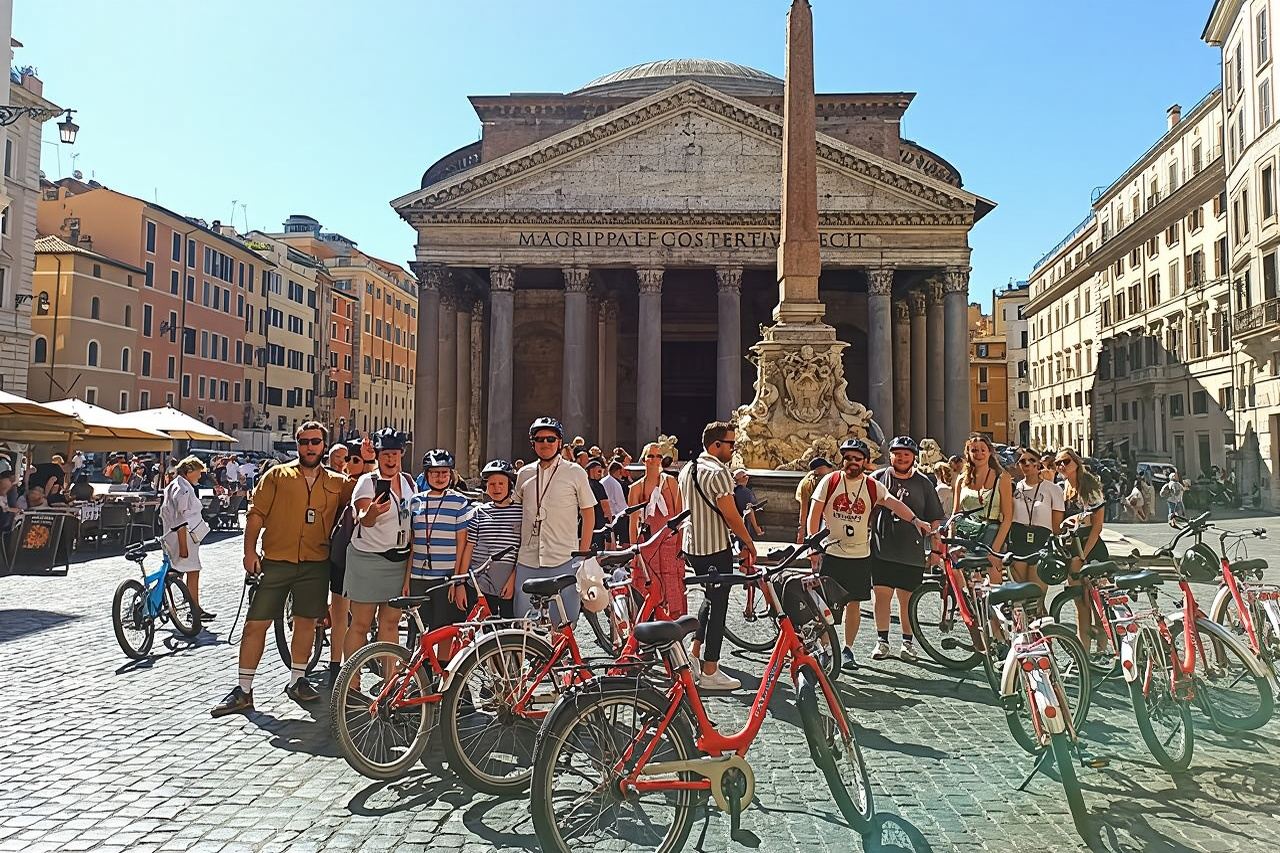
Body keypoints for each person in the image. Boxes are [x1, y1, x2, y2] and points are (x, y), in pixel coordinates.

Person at [212, 421, 347, 717]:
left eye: (314, 442)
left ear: (324, 446)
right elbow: (256, 514)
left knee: (306, 624)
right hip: (275, 561)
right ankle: (243, 690)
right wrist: (249, 552)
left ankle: (298, 680)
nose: (309, 447)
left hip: (315, 564)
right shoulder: (277, 476)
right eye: (303, 442)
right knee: (255, 624)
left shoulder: (338, 483)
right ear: (297, 444)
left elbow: (364, 497)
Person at [809, 438, 932, 670]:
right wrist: (813, 545)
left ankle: (847, 650)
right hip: (832, 553)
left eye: (857, 458)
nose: (852, 462)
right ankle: (825, 649)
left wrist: (917, 521)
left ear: (865, 462)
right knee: (825, 606)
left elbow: (894, 504)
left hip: (860, 556)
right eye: (848, 458)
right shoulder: (831, 480)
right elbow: (814, 514)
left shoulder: (872, 486)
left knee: (853, 604)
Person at [679, 421, 757, 690]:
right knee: (719, 606)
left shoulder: (686, 469)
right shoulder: (720, 472)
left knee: (709, 599)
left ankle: (695, 651)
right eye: (731, 444)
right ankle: (711, 669)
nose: (734, 449)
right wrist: (747, 541)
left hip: (692, 547)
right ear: (716, 445)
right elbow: (731, 513)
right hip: (714, 548)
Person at [342, 428, 415, 668]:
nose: (391, 459)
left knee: (391, 624)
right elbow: (363, 516)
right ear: (378, 456)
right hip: (368, 560)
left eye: (395, 454)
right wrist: (371, 512)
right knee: (361, 624)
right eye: (386, 454)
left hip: (398, 561)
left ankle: (389, 683)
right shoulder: (367, 481)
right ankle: (351, 684)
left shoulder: (408, 482)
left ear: (401, 454)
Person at [868, 437, 945, 661]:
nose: (901, 458)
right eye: (897, 453)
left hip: (912, 552)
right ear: (890, 455)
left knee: (907, 600)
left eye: (906, 454)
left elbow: (935, 519)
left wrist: (936, 548)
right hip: (882, 548)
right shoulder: (878, 478)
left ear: (913, 457)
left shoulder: (924, 483)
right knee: (881, 596)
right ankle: (882, 641)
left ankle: (907, 643)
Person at [514, 417, 595, 624]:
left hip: (564, 558)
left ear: (560, 442)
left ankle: (563, 657)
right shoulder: (524, 474)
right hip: (528, 559)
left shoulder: (575, 472)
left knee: (565, 622)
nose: (546, 444)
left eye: (551, 439)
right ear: (533, 443)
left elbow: (588, 514)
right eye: (540, 439)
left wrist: (582, 555)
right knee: (524, 622)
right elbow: (516, 510)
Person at [406, 448, 474, 661]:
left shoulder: (459, 502)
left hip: (445, 578)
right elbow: (411, 541)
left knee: (445, 630)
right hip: (418, 576)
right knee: (420, 629)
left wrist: (458, 580)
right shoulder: (415, 501)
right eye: (435, 473)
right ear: (426, 475)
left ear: (451, 475)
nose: (440, 477)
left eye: (444, 472)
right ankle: (423, 673)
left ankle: (443, 673)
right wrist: (407, 578)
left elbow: (462, 545)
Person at [1055, 448, 1108, 653]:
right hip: (1072, 548)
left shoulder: (1090, 485)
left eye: (1065, 461)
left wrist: (1083, 555)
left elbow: (1097, 527)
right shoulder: (1062, 488)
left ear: (1076, 462)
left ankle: (1103, 650)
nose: (1061, 466)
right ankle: (1083, 652)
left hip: (1091, 548)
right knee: (1080, 602)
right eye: (1057, 463)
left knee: (1098, 602)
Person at [628, 440, 687, 617]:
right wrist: (634, 552)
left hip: (669, 543)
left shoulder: (670, 482)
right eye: (651, 456)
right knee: (648, 586)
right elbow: (632, 522)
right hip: (647, 543)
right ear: (644, 459)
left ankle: (673, 625)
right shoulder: (636, 488)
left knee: (672, 586)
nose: (655, 460)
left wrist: (681, 546)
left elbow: (680, 516)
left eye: (658, 456)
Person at [459, 460, 523, 618]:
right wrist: (460, 582)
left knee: (507, 632)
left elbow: (523, 549)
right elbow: (469, 547)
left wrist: (513, 579)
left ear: (510, 485)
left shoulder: (521, 512)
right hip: (478, 583)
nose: (497, 488)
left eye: (501, 483)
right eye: (492, 484)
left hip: (507, 582)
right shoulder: (478, 512)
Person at [952, 433, 1014, 584]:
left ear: (990, 452)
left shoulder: (1002, 478)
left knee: (993, 575)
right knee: (954, 568)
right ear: (968, 453)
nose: (978, 454)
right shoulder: (961, 479)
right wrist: (951, 541)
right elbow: (956, 514)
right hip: (966, 533)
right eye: (974, 450)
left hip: (990, 534)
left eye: (982, 450)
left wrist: (996, 549)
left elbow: (1007, 518)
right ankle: (965, 604)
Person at [160, 456, 214, 621]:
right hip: (182, 537)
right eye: (198, 473)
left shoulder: (180, 485)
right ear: (189, 471)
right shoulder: (183, 489)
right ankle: (192, 609)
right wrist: (183, 546)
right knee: (191, 571)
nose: (200, 476)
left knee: (185, 571)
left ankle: (189, 607)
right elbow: (180, 519)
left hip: (184, 536)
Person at [1008, 448, 1065, 602]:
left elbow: (1057, 523)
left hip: (1041, 541)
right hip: (1018, 539)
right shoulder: (1014, 488)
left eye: (1031, 460)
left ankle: (1046, 624)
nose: (1026, 464)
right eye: (1022, 461)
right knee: (1020, 598)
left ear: (1038, 464)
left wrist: (1056, 545)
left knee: (1036, 597)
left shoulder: (1053, 489)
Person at [794, 457, 834, 543]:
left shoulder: (832, 479)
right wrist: (801, 531)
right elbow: (804, 509)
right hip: (815, 515)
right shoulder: (807, 484)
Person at [585, 458, 613, 548]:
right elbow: (605, 506)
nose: (601, 474)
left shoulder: (584, 484)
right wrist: (610, 522)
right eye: (599, 471)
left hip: (585, 521)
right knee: (598, 548)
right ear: (592, 471)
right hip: (598, 522)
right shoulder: (598, 486)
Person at [732, 468, 765, 538]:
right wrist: (757, 529)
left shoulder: (732, 490)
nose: (748, 477)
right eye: (745, 476)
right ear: (743, 479)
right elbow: (749, 510)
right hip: (744, 527)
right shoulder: (746, 492)